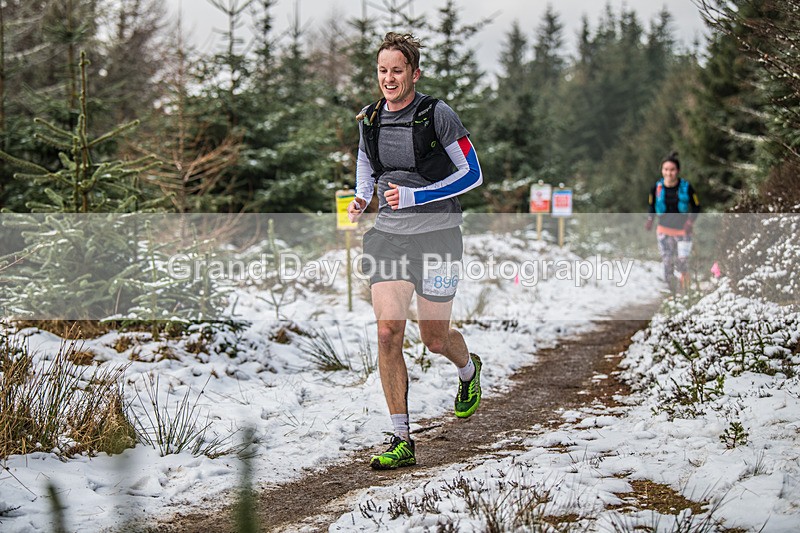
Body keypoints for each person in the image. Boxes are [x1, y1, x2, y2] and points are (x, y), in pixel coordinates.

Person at [347, 32, 484, 470]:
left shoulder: (437, 115)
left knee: (434, 338)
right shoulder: (369, 119)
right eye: (383, 70)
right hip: (388, 235)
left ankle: (467, 369)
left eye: (397, 70)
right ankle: (401, 437)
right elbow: (366, 166)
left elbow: (473, 174)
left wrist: (417, 198)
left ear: (414, 73)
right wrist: (362, 197)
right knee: (388, 331)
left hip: (439, 235)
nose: (389, 78)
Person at [645, 152, 701, 293]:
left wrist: (690, 221)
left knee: (683, 263)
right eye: (666, 169)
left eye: (672, 170)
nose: (669, 173)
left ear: (678, 171)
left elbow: (696, 206)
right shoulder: (656, 188)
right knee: (667, 262)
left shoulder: (687, 187)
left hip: (683, 232)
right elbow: (651, 205)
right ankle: (673, 293)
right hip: (664, 232)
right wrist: (650, 219)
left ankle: (686, 293)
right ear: (662, 170)